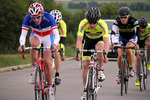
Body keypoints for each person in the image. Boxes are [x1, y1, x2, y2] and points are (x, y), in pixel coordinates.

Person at [18, 2, 60, 100]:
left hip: (48, 36)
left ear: (41, 14)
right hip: (36, 35)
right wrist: (22, 45)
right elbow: (23, 35)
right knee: (33, 45)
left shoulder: (49, 17)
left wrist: (54, 45)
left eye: (37, 17)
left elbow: (57, 35)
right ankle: (33, 70)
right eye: (33, 17)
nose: (36, 19)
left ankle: (50, 90)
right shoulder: (27, 18)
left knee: (48, 61)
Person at [75, 7, 109, 100]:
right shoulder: (82, 23)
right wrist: (78, 52)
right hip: (88, 42)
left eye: (94, 23)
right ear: (87, 20)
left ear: (98, 20)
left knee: (99, 48)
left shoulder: (103, 24)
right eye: (90, 22)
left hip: (99, 41)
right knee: (85, 65)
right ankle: (85, 90)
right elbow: (79, 40)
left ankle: (101, 69)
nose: (92, 25)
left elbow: (106, 41)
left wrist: (105, 54)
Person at [111, 7, 140, 84]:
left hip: (132, 38)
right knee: (120, 55)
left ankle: (131, 68)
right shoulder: (116, 21)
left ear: (129, 16)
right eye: (121, 17)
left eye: (125, 17)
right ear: (119, 16)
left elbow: (137, 34)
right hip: (122, 38)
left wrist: (136, 43)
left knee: (128, 48)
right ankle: (120, 73)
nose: (123, 19)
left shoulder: (134, 21)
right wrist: (113, 42)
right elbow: (113, 33)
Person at [50, 10, 67, 85]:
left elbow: (62, 41)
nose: (56, 25)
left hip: (57, 38)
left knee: (57, 50)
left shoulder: (63, 24)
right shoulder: (47, 23)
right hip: (49, 36)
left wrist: (62, 53)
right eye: (54, 23)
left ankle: (57, 75)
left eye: (57, 23)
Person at [135, 17, 150, 86]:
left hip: (146, 39)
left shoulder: (149, 27)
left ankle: (148, 61)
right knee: (138, 58)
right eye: (141, 28)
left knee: (149, 44)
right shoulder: (136, 28)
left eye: (144, 28)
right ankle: (138, 77)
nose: (143, 30)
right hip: (139, 42)